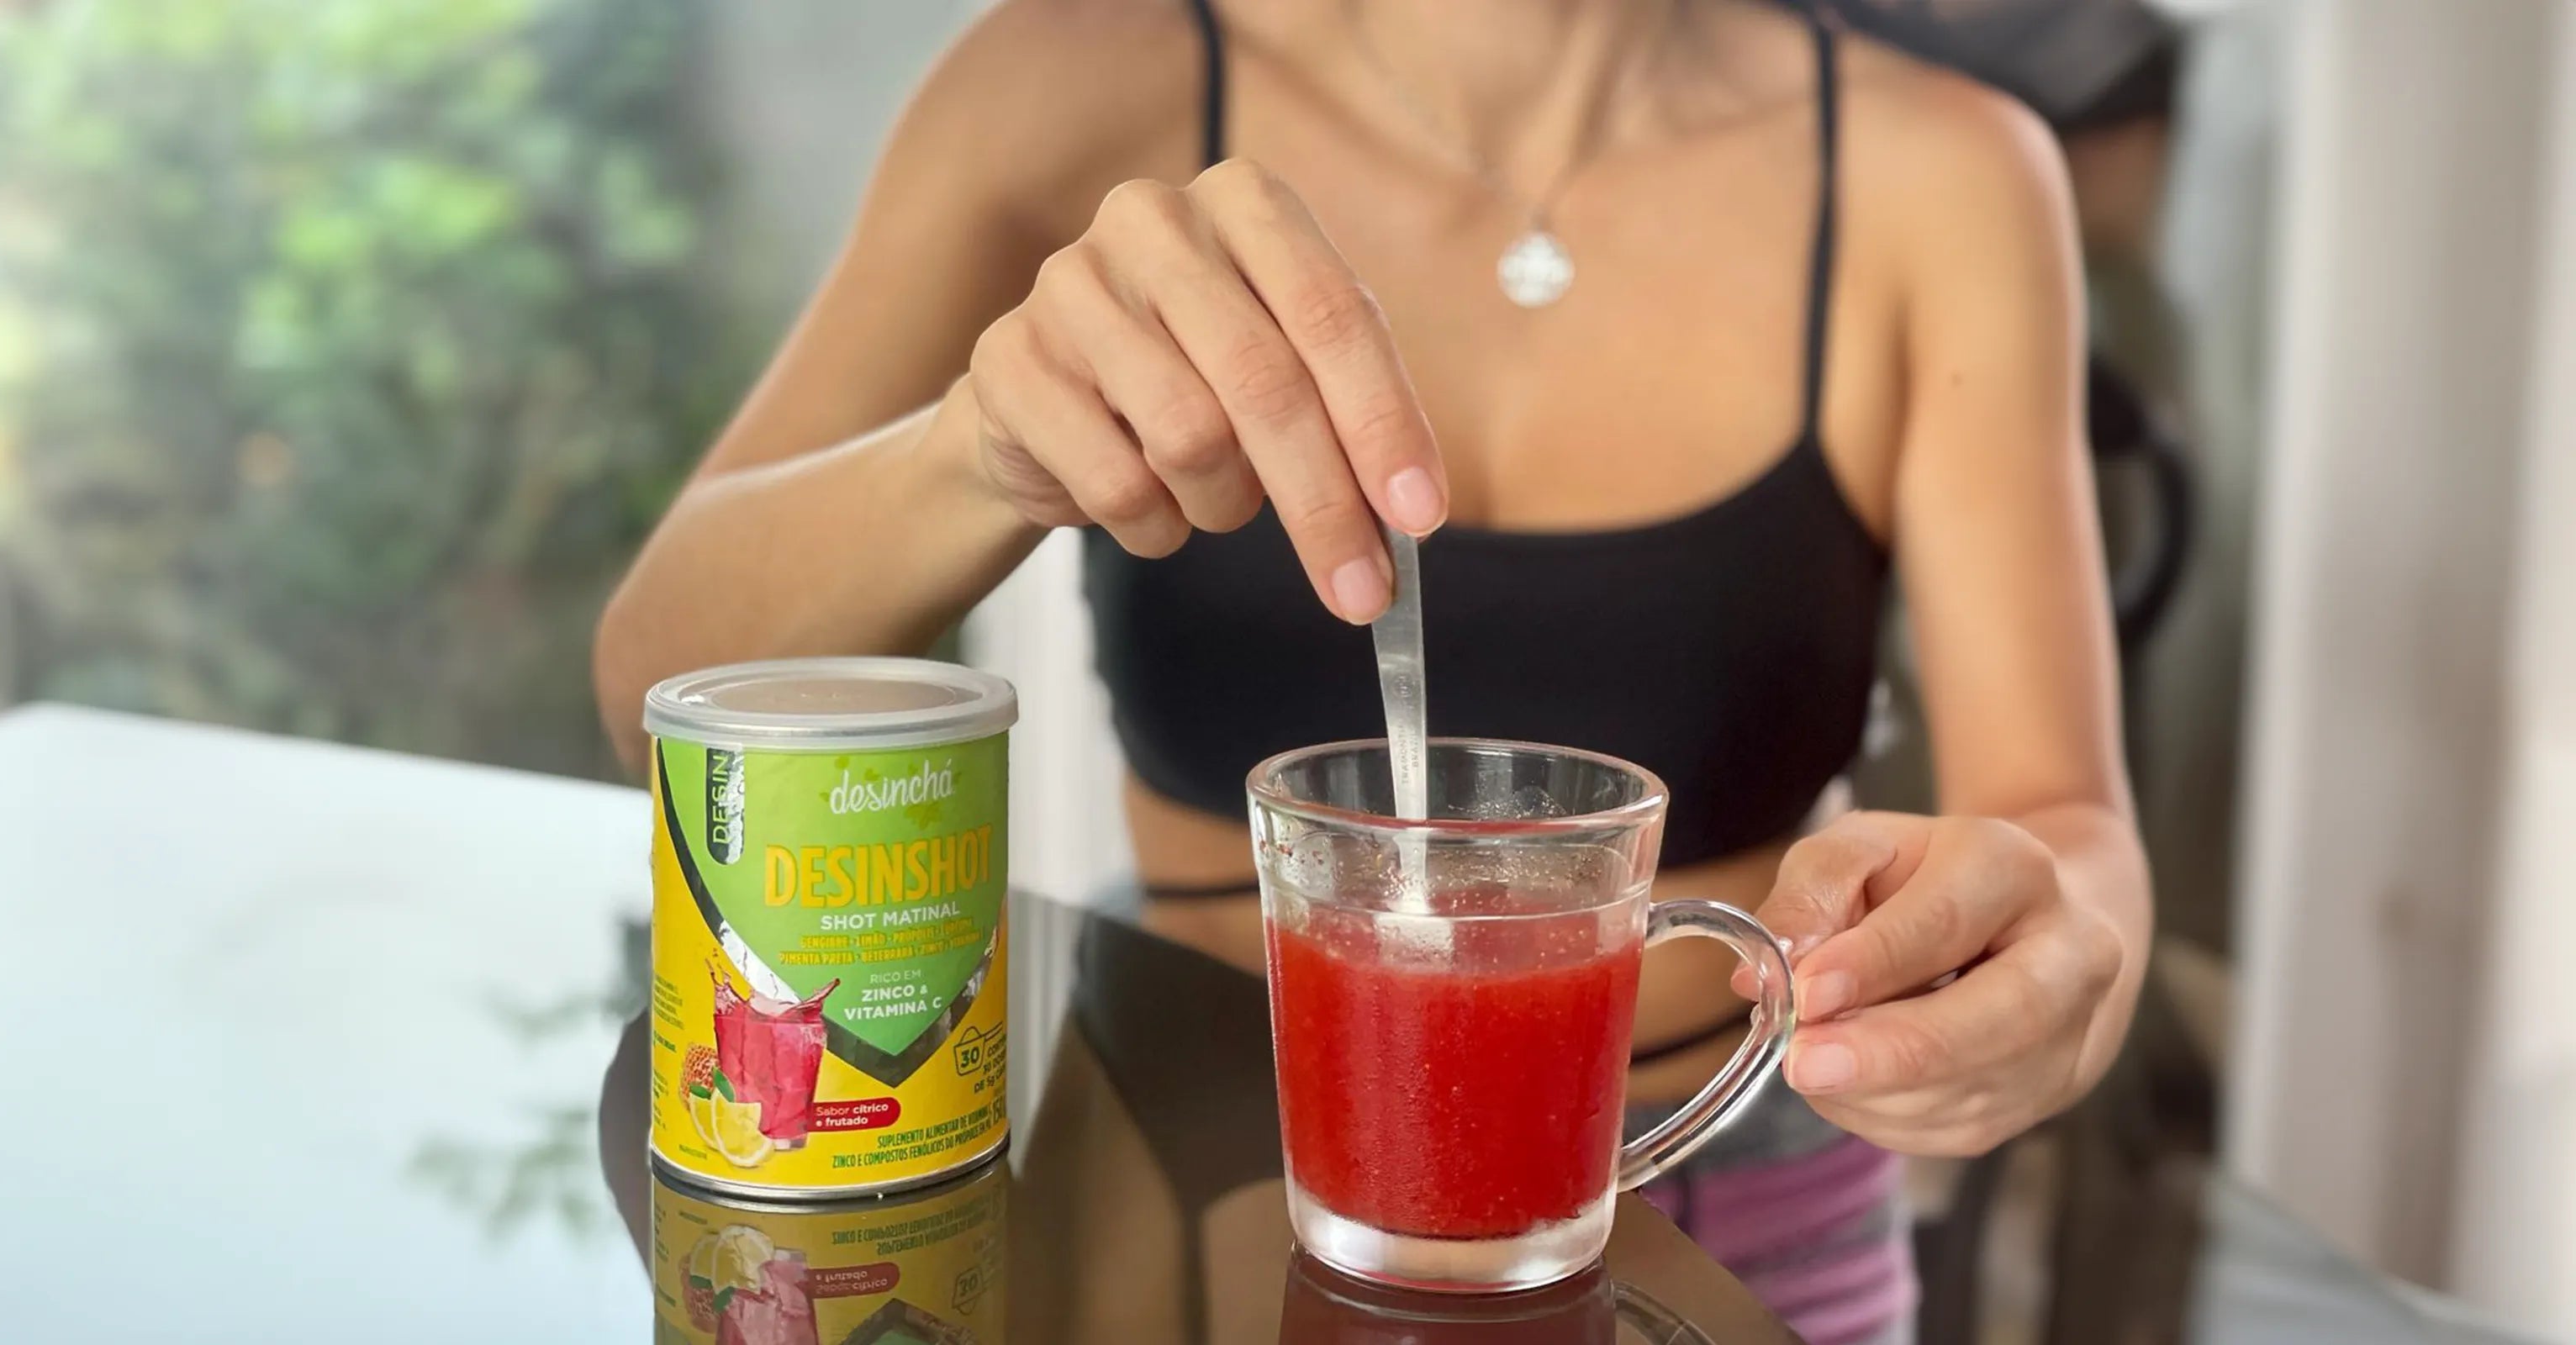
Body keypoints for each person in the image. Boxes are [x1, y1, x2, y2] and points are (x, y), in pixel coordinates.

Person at [594, 1, 2152, 1339]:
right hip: (1179, 1193)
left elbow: (2065, 826)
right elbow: (653, 687)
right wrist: (973, 457)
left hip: (1743, 1198)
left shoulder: (1942, 172)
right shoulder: (1069, 81)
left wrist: (2050, 958)